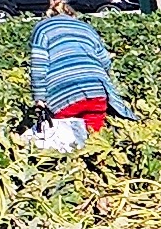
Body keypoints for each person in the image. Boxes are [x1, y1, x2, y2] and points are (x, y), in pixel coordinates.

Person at [24, 12, 131, 149]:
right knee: (95, 142)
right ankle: (98, 166)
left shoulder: (43, 29)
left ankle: (73, 166)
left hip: (63, 93)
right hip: (96, 89)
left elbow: (39, 66)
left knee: (66, 143)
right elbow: (105, 61)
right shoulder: (86, 28)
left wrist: (39, 98)